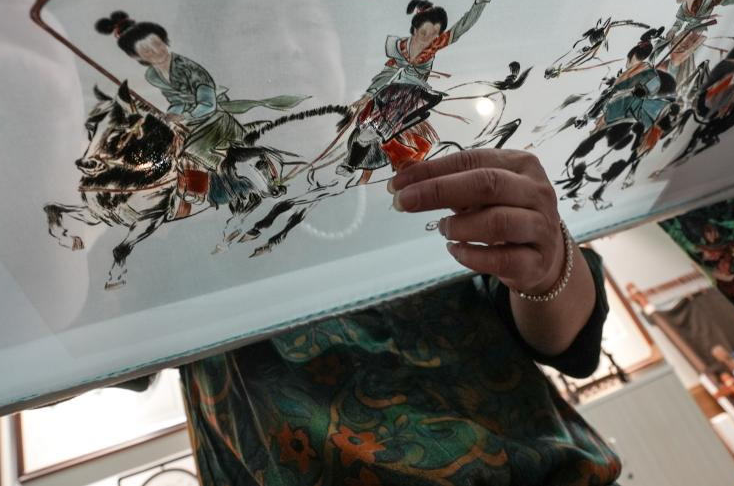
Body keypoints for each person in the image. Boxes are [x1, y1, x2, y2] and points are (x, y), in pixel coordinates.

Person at [181, 149, 623, 485]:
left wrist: (547, 265)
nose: (289, 57)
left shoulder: (429, 161)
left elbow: (574, 345)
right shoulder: (188, 216)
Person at [95, 11, 307, 211]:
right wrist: (171, 114)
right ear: (137, 56)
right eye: (147, 50)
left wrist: (184, 116)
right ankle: (206, 191)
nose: (156, 51)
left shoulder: (188, 67)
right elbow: (176, 100)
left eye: (157, 44)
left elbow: (208, 103)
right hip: (192, 122)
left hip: (213, 118)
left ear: (164, 40)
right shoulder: (153, 75)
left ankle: (216, 186)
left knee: (190, 151)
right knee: (172, 148)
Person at [339, 0, 499, 183]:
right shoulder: (399, 47)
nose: (428, 38)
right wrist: (368, 95)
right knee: (365, 131)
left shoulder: (434, 46)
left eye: (434, 34)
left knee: (373, 133)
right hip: (388, 94)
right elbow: (388, 72)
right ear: (414, 29)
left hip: (410, 96)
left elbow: (466, 23)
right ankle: (352, 163)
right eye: (424, 33)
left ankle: (360, 163)